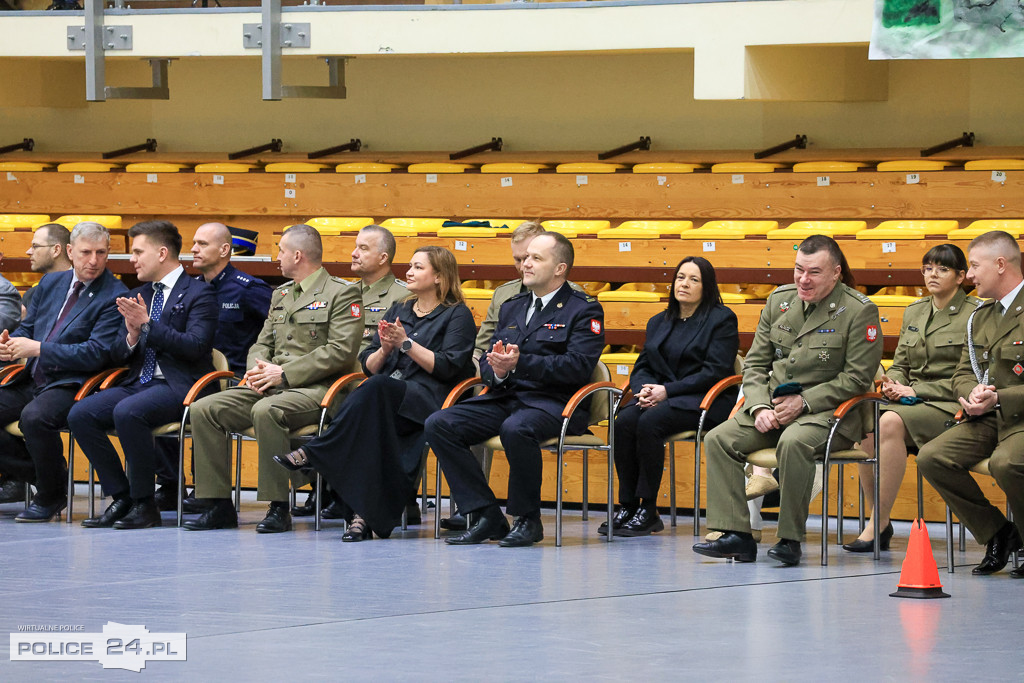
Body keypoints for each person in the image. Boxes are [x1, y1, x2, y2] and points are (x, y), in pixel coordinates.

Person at [692, 235, 882, 566]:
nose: (803, 280)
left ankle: (789, 539)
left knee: (793, 442)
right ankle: (736, 534)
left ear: (836, 273)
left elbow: (856, 379)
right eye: (798, 270)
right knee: (718, 438)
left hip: (826, 414)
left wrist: (803, 403)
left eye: (814, 272)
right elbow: (754, 364)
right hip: (773, 408)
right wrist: (759, 405)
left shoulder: (859, 311)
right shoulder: (779, 301)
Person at [274, 246, 476, 540]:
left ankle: (315, 451)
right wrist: (384, 348)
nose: (409, 272)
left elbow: (448, 367)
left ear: (439, 277)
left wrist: (406, 344)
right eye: (410, 265)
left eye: (418, 267)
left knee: (376, 389)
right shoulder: (401, 309)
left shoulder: (456, 314)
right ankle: (361, 518)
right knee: (370, 409)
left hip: (431, 400)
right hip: (386, 400)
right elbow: (368, 365)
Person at [424, 232, 605, 547]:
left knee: (516, 428)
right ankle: (485, 514)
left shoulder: (583, 309)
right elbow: (491, 358)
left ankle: (527, 519)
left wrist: (521, 364)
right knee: (439, 423)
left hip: (555, 404)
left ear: (560, 268)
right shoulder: (512, 306)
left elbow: (577, 366)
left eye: (536, 258)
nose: (526, 264)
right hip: (506, 395)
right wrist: (496, 371)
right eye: (524, 258)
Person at [184, 224, 363, 533]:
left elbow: (341, 352)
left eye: (280, 251)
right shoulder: (280, 294)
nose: (276, 257)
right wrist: (257, 367)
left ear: (297, 254)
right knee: (205, 409)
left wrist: (285, 373)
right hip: (270, 383)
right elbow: (262, 341)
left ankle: (278, 506)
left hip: (317, 390)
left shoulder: (342, 292)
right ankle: (217, 504)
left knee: (266, 411)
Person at [67, 220, 218, 529]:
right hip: (140, 381)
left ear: (162, 253)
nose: (131, 259)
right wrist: (132, 336)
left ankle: (145, 504)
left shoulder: (200, 293)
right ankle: (122, 496)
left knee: (128, 412)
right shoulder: (139, 294)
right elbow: (116, 353)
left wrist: (149, 326)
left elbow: (196, 347)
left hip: (182, 385)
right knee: (80, 414)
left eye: (138, 251)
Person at [844, 244, 981, 553]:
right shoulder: (914, 310)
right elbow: (903, 364)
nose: (933, 274)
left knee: (889, 421)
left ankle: (877, 523)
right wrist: (895, 384)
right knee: (866, 421)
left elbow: (971, 375)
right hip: (910, 401)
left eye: (942, 269)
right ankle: (877, 519)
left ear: (961, 276)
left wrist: (917, 391)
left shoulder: (975, 314)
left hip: (949, 405)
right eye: (928, 268)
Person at [604, 256, 739, 537]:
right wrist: (645, 389)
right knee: (623, 421)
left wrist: (667, 391)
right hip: (660, 396)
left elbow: (715, 370)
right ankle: (628, 504)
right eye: (680, 277)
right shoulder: (659, 321)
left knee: (650, 422)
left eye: (693, 279)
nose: (684, 284)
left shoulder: (721, 319)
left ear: (707, 286)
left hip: (704, 399)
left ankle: (649, 508)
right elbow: (643, 365)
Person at [0, 222, 127, 519]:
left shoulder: (114, 294)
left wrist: (38, 348)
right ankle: (42, 470)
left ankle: (50, 495)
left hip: (75, 381)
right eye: (85, 252)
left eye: (101, 253)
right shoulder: (51, 283)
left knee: (35, 417)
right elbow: (28, 329)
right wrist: (8, 344)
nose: (93, 260)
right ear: (70, 251)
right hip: (33, 376)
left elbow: (97, 353)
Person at [917, 230, 1024, 577]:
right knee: (932, 457)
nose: (971, 275)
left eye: (975, 266)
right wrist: (970, 394)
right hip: (989, 417)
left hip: (1020, 417)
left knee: (1006, 464)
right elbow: (964, 372)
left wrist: (1000, 397)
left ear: (1001, 265)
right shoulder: (981, 316)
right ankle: (998, 532)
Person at [292, 224, 407, 520]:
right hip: (335, 376)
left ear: (383, 258)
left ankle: (338, 490)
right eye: (355, 246)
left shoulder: (401, 297)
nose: (353, 253)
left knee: (350, 406)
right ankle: (322, 485)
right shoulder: (340, 292)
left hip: (370, 381)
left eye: (363, 248)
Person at [190, 222, 273, 376]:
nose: (193, 249)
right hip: (193, 375)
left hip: (235, 379)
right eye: (194, 243)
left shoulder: (249, 289)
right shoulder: (190, 288)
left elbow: (279, 332)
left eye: (202, 244)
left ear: (224, 250)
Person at [22, 222, 72, 316]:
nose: (28, 252)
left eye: (35, 246)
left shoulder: (83, 291)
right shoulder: (30, 296)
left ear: (56, 250)